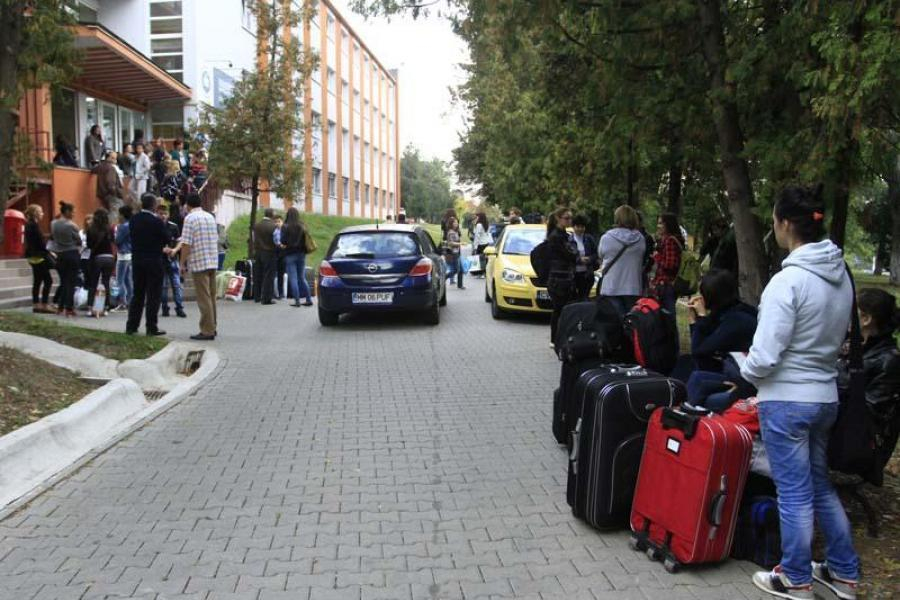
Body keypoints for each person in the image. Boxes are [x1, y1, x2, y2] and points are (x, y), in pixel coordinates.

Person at [740, 186, 859, 600]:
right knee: (820, 486)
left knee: (793, 493)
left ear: (786, 224)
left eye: (774, 220)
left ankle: (795, 578)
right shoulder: (841, 277)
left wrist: (746, 369)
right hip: (825, 397)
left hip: (787, 400)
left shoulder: (787, 281)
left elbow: (765, 355)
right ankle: (843, 573)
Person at [837, 288, 900, 476]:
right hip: (840, 428)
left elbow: (869, 413)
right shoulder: (852, 344)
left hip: (857, 446)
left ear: (865, 319)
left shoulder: (888, 360)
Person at [683, 269, 758, 411]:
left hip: (745, 383)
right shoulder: (732, 311)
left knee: (698, 381)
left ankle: (685, 417)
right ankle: (687, 413)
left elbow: (698, 351)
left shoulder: (737, 321)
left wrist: (699, 319)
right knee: (693, 375)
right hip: (735, 373)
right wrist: (698, 320)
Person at [126, 193, 171, 336]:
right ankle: (151, 326)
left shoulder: (134, 219)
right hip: (154, 260)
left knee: (138, 294)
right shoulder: (157, 221)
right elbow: (167, 238)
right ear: (154, 206)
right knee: (153, 295)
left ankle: (132, 325)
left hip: (137, 259)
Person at [176, 193, 219, 340]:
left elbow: (186, 243)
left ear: (187, 205)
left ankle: (207, 330)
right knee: (211, 296)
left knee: (203, 298)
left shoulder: (190, 218)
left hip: (199, 261)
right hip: (212, 260)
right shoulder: (210, 217)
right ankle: (213, 326)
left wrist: (182, 262)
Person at [596, 205, 646, 315]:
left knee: (612, 320)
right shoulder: (640, 239)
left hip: (611, 287)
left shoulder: (606, 238)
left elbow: (601, 255)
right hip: (633, 287)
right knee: (630, 321)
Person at [545, 207, 578, 347]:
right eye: (566, 218)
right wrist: (575, 255)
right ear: (558, 219)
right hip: (558, 278)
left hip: (564, 276)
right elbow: (569, 254)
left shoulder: (564, 235)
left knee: (563, 309)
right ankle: (555, 338)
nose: (569, 221)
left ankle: (561, 337)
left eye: (570, 218)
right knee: (559, 309)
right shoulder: (556, 236)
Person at [652, 212, 684, 347]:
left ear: (668, 224)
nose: (658, 226)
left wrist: (657, 257)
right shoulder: (672, 239)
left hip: (666, 284)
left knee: (668, 318)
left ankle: (672, 347)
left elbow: (670, 265)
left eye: (661, 223)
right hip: (668, 284)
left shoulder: (670, 241)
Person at [50, 202, 81, 317]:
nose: (74, 214)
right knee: (71, 282)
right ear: (67, 211)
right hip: (71, 253)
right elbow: (78, 240)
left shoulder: (53, 224)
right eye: (73, 212)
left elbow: (53, 238)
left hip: (60, 255)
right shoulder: (71, 225)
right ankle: (69, 308)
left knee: (63, 282)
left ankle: (60, 307)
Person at [156, 203, 186, 319]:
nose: (163, 216)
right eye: (160, 214)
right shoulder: (154, 227)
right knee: (163, 286)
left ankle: (179, 307)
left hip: (173, 259)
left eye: (165, 214)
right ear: (157, 214)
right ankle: (165, 307)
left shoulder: (173, 226)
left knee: (176, 284)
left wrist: (175, 250)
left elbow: (180, 241)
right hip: (160, 260)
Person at [280, 207, 314, 307]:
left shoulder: (285, 226)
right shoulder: (302, 225)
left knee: (293, 279)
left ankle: (297, 301)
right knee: (302, 278)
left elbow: (283, 241)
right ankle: (308, 299)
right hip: (301, 254)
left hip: (290, 254)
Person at [24, 204, 54, 314]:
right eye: (40, 212)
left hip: (32, 256)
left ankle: (36, 304)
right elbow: (40, 243)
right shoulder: (34, 226)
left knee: (37, 280)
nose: (42, 214)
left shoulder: (29, 225)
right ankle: (44, 304)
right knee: (48, 280)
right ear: (35, 213)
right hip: (39, 256)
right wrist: (49, 252)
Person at [85, 208, 115, 317]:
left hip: (97, 257)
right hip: (109, 257)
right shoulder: (109, 228)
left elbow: (89, 245)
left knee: (93, 283)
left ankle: (90, 307)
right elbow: (113, 241)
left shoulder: (91, 229)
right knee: (106, 282)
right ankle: (106, 307)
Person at [570, 214, 599, 301]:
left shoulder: (589, 239)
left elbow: (596, 253)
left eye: (582, 227)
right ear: (573, 227)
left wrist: (589, 259)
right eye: (578, 226)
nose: (580, 229)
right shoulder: (569, 240)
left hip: (587, 274)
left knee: (584, 297)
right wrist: (579, 260)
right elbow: (567, 256)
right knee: (573, 299)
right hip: (573, 275)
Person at [253, 208, 278, 304]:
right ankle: (266, 298)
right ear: (272, 215)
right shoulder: (273, 226)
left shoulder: (256, 225)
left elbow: (253, 238)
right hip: (269, 252)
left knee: (258, 274)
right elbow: (276, 240)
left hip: (258, 252)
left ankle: (257, 296)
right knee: (269, 275)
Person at [114, 205, 134, 311]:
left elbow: (118, 240)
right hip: (130, 254)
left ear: (122, 215)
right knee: (127, 280)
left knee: (120, 280)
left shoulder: (122, 226)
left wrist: (115, 234)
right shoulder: (132, 225)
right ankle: (131, 300)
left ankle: (122, 302)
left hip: (122, 254)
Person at [444, 216, 464, 290]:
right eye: (455, 222)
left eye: (457, 222)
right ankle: (444, 277)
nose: (456, 223)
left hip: (457, 252)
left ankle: (460, 285)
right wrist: (460, 244)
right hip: (453, 253)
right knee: (455, 270)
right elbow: (451, 243)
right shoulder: (451, 232)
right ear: (451, 224)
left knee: (461, 269)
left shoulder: (455, 231)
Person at [273, 214, 285, 299]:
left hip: (283, 253)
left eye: (279, 221)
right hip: (275, 252)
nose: (277, 223)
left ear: (282, 222)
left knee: (281, 274)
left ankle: (281, 292)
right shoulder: (274, 231)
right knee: (274, 273)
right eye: (276, 222)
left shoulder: (285, 231)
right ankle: (274, 292)